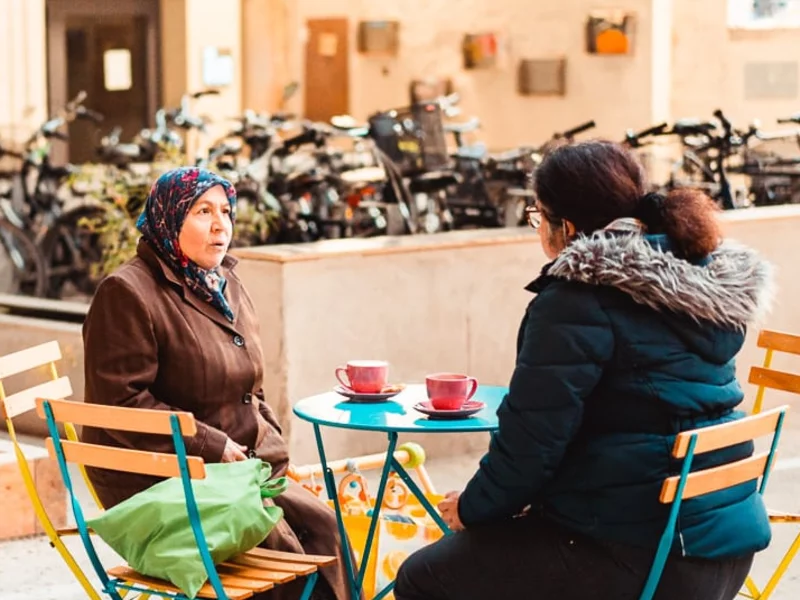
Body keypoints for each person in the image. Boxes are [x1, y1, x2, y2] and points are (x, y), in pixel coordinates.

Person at [394, 141, 775, 600]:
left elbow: (532, 441)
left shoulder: (575, 301)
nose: (537, 231)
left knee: (423, 577)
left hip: (639, 557)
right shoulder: (696, 285)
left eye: (538, 217)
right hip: (721, 550)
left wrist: (473, 509)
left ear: (566, 227)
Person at [81, 166, 352, 600]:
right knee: (283, 554)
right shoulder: (127, 292)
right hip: (165, 478)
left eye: (226, 211)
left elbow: (252, 384)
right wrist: (212, 444)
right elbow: (120, 403)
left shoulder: (223, 281)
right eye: (202, 211)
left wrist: (269, 443)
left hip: (236, 467)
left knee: (325, 529)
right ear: (169, 218)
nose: (220, 225)